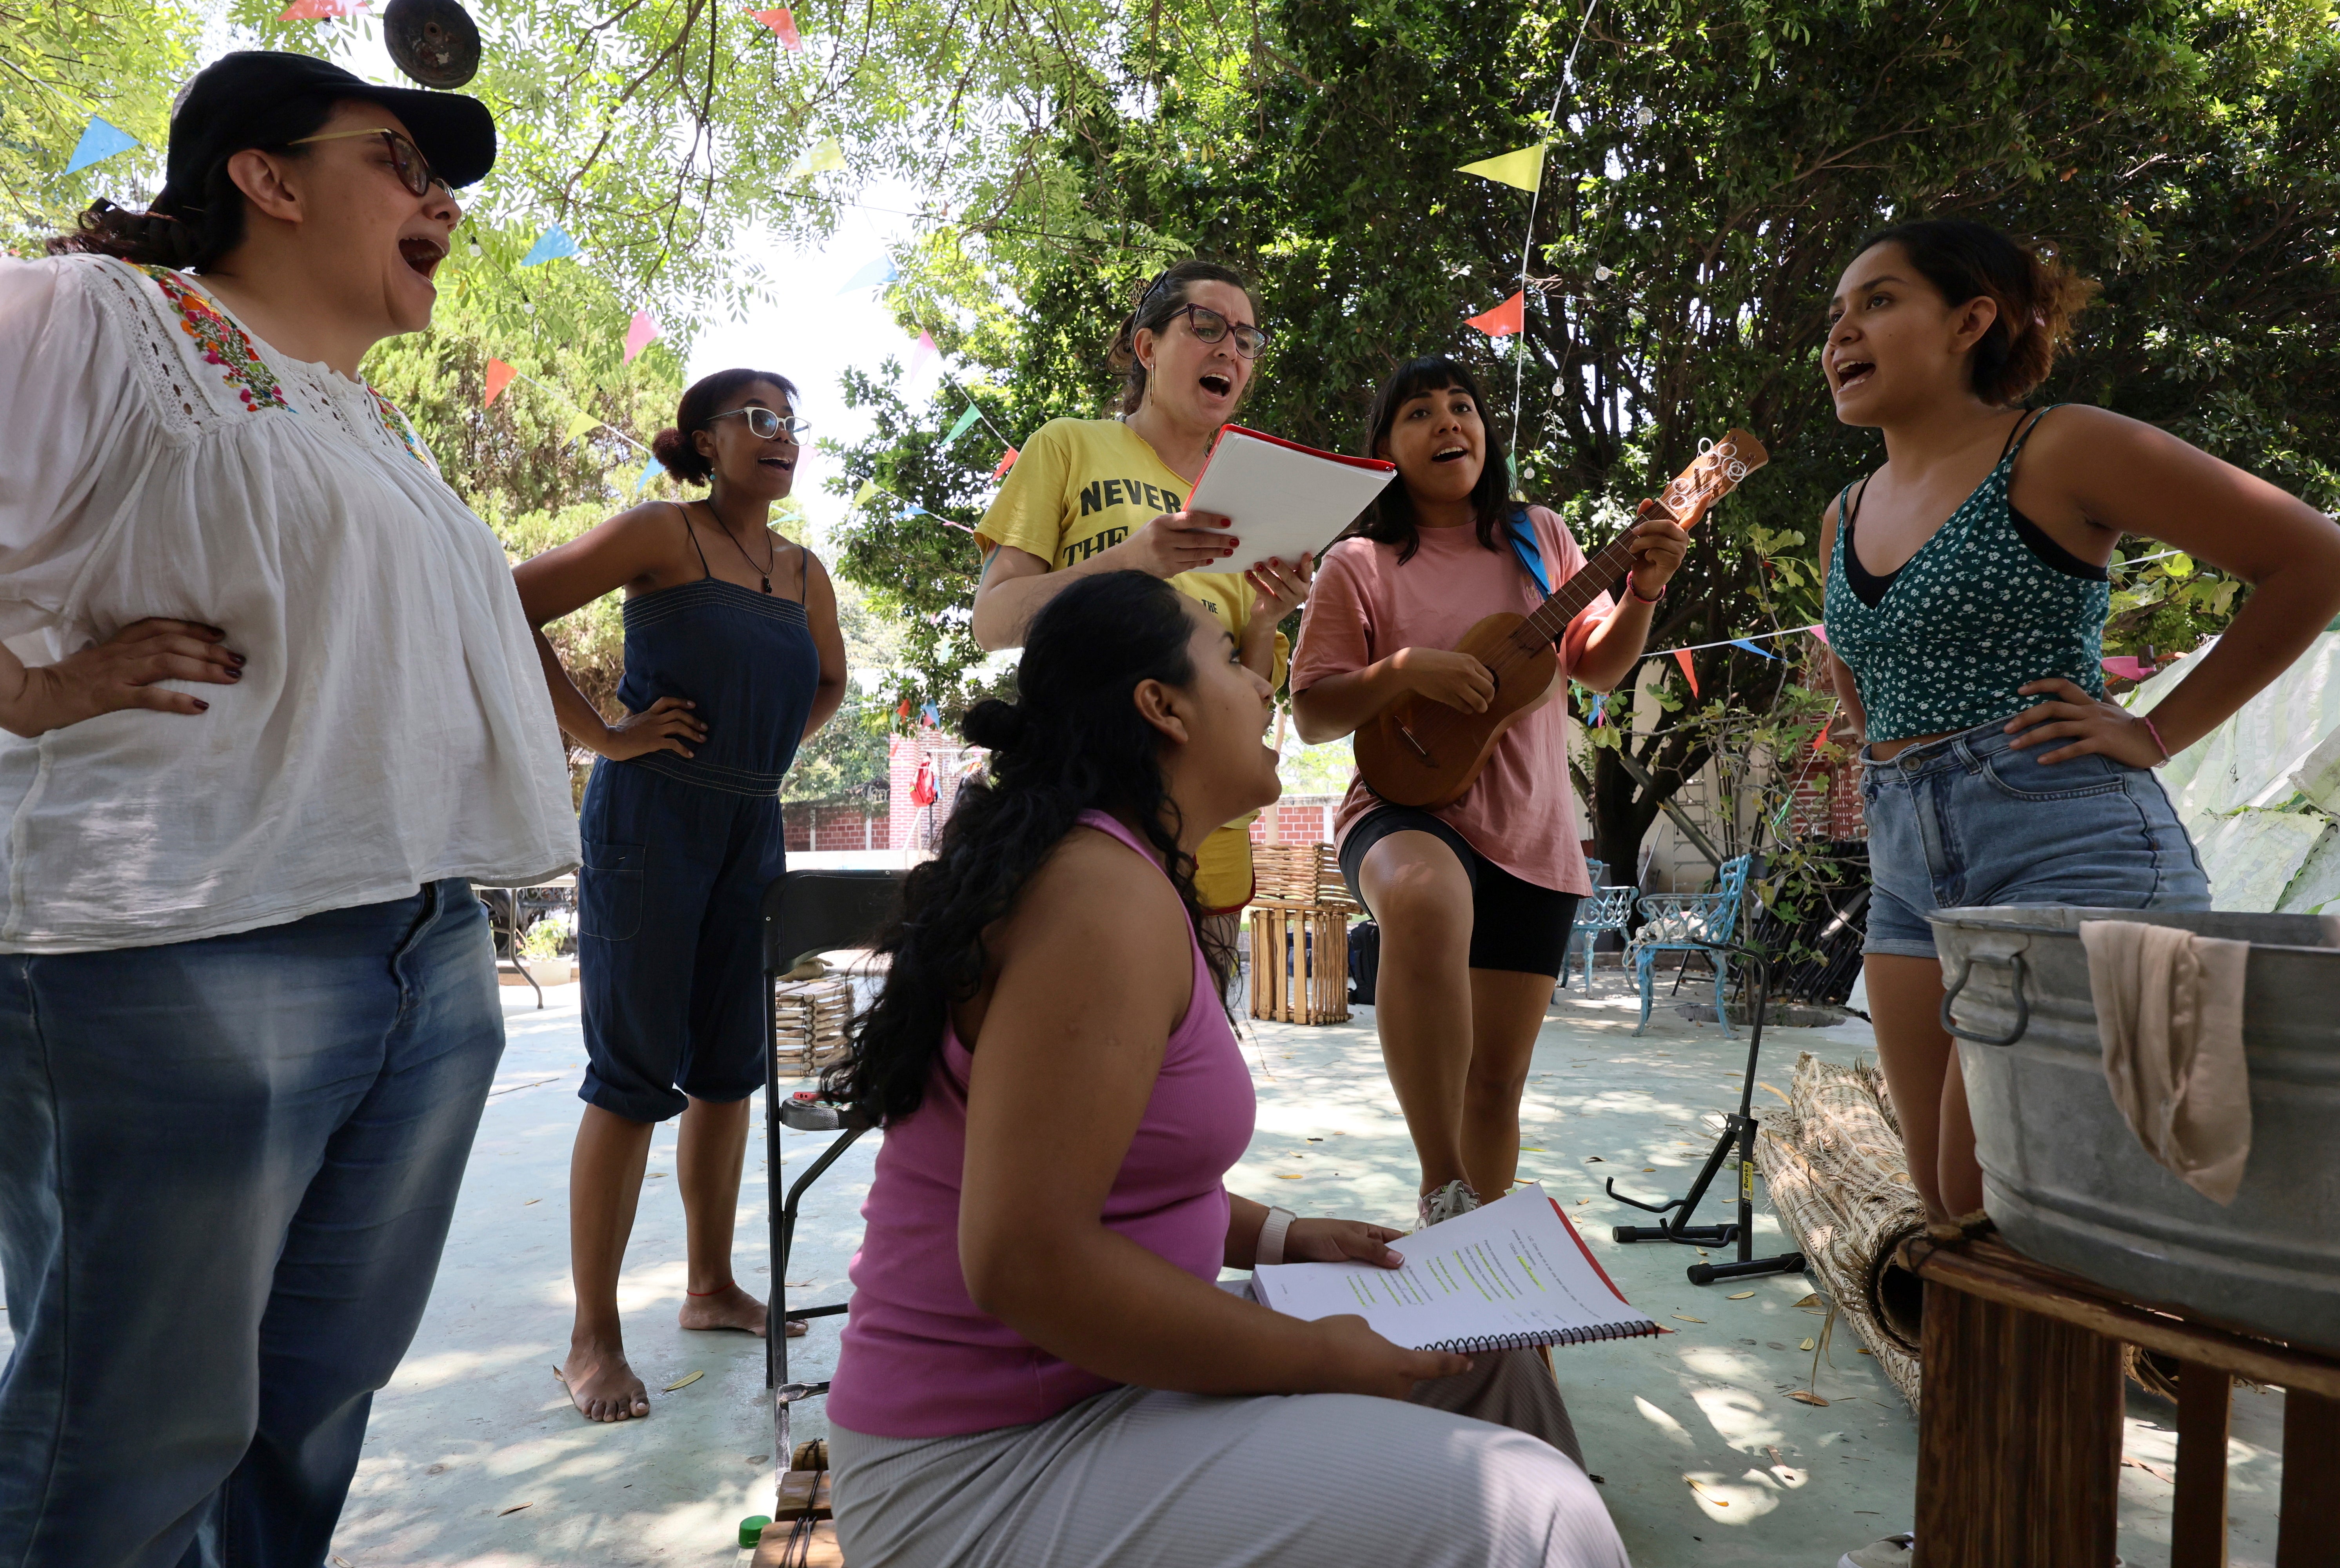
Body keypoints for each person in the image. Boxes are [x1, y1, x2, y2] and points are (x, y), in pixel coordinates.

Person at [0, 52, 576, 1565]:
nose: (442, 200)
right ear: (265, 176)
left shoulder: (361, 416)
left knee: (306, 1416)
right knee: (126, 1444)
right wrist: (33, 692)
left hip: (421, 954)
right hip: (177, 959)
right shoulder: (101, 317)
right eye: (401, 158)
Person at [820, 570, 1627, 1568]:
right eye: (1234, 660)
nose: (1264, 688)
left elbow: (1116, 1172)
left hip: (1100, 1388)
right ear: (1161, 708)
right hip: (981, 1466)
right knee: (1536, 1513)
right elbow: (1024, 1259)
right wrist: (1316, 1352)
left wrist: (1283, 1237)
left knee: (1487, 1363)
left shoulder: (1125, 875)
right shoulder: (1096, 901)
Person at [1815, 218, 2340, 1232]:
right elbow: (1857, 663)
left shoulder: (2057, 447)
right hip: (1903, 868)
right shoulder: (1846, 512)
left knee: (2001, 1199)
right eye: (1835, 316)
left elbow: (2317, 562)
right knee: (1948, 1210)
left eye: (1878, 301)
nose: (1842, 332)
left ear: (1972, 320)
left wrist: (2154, 733)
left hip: (2062, 844)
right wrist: (1881, 748)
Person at [512, 369, 848, 1421]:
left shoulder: (803, 572)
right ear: (704, 439)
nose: (781, 435)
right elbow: (502, 605)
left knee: (728, 1074)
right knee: (630, 1078)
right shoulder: (663, 533)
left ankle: (710, 1288)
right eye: (759, 418)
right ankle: (591, 1340)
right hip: (647, 825)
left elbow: (830, 682)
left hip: (749, 827)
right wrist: (603, 736)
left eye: (793, 421)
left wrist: (767, 753)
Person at [1289, 358, 1690, 1229]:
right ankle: (1443, 1186)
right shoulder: (1358, 563)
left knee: (1497, 1083)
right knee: (1428, 898)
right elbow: (1314, 711)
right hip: (1405, 805)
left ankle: (1478, 1262)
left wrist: (1644, 589)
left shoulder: (1540, 537)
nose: (1448, 424)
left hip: (1533, 830)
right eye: (1420, 413)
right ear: (1386, 449)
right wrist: (1401, 670)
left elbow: (1597, 665)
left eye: (1462, 408)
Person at [968, 260, 1312, 944]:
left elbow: (1253, 693)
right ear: (1147, 347)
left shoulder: (1253, 504)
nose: (1229, 350)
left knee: (1190, 1039)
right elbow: (993, 623)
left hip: (1208, 818)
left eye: (1247, 340)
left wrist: (1267, 620)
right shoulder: (1068, 446)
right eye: (1206, 325)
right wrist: (1132, 561)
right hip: (1082, 790)